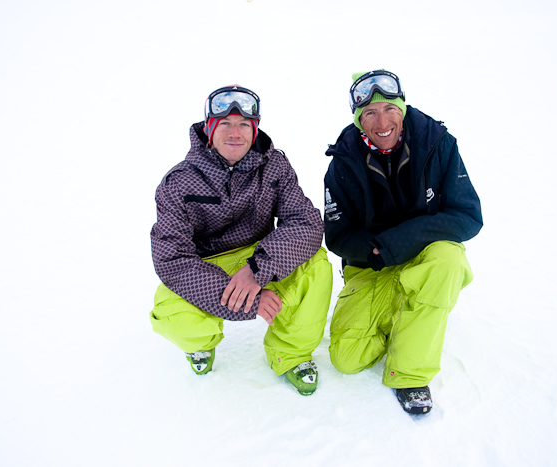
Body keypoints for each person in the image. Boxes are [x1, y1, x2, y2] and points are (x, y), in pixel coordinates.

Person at [150, 85, 332, 395]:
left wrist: (257, 270)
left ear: (254, 129)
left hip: (260, 256)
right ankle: (201, 345)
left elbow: (306, 223)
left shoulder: (274, 165)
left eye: (244, 124)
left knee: (317, 265)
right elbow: (173, 260)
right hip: (206, 266)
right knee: (168, 310)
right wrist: (244, 301)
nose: (236, 133)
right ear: (210, 129)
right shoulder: (177, 182)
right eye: (225, 124)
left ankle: (291, 354)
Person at [323, 70, 482, 413]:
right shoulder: (342, 164)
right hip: (371, 268)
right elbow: (337, 236)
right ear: (358, 120)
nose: (382, 122)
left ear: (403, 109)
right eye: (370, 113)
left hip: (426, 258)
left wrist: (397, 241)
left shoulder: (438, 144)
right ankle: (405, 311)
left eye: (390, 109)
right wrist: (376, 252)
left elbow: (468, 216)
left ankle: (410, 373)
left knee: (448, 261)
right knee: (346, 360)